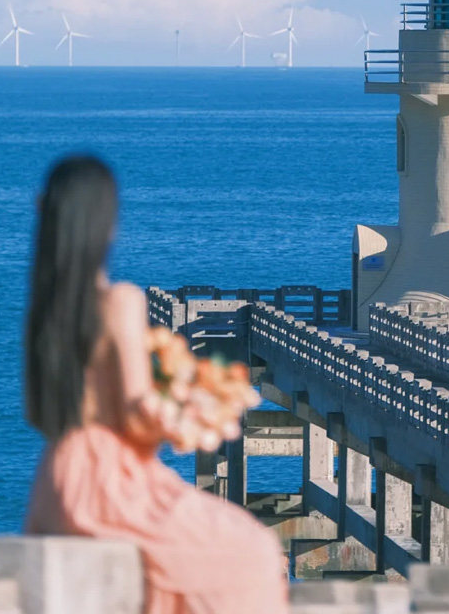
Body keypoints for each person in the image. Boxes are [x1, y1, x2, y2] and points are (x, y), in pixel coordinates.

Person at [25, 155, 288, 614]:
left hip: (55, 484)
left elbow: (40, 412)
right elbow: (135, 413)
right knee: (253, 551)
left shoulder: (45, 316)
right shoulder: (119, 301)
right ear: (105, 223)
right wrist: (192, 407)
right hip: (110, 486)